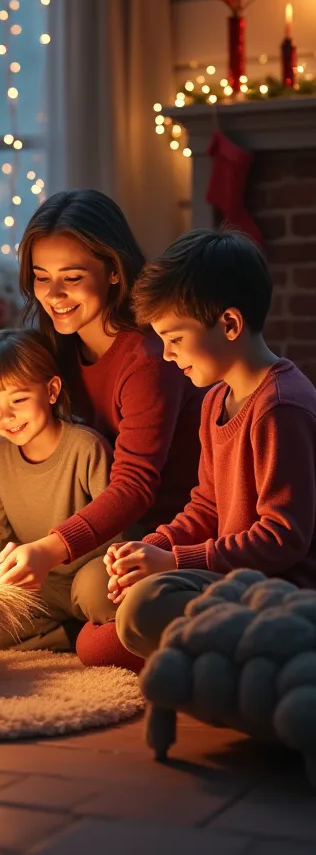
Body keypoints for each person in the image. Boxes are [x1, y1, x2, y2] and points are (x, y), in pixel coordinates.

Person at [0, 190, 204, 667]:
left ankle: (91, 630)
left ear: (113, 270)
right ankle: (75, 622)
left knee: (98, 634)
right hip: (96, 538)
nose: (54, 295)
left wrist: (50, 547)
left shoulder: (148, 359)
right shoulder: (57, 348)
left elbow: (134, 487)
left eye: (72, 278)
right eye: (41, 278)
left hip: (158, 536)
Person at [106, 228, 316, 662]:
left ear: (230, 324)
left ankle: (278, 654)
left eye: (175, 339)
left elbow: (282, 540)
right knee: (113, 602)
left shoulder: (280, 408)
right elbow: (206, 508)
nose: (166, 354)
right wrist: (155, 548)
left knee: (141, 613)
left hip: (282, 591)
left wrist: (174, 563)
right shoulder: (214, 401)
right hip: (232, 579)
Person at [0, 328, 113, 650]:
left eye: (19, 400)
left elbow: (116, 528)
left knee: (101, 593)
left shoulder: (85, 448)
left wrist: (53, 553)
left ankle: (89, 632)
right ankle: (71, 635)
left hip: (90, 571)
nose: (7, 417)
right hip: (39, 584)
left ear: (52, 390)